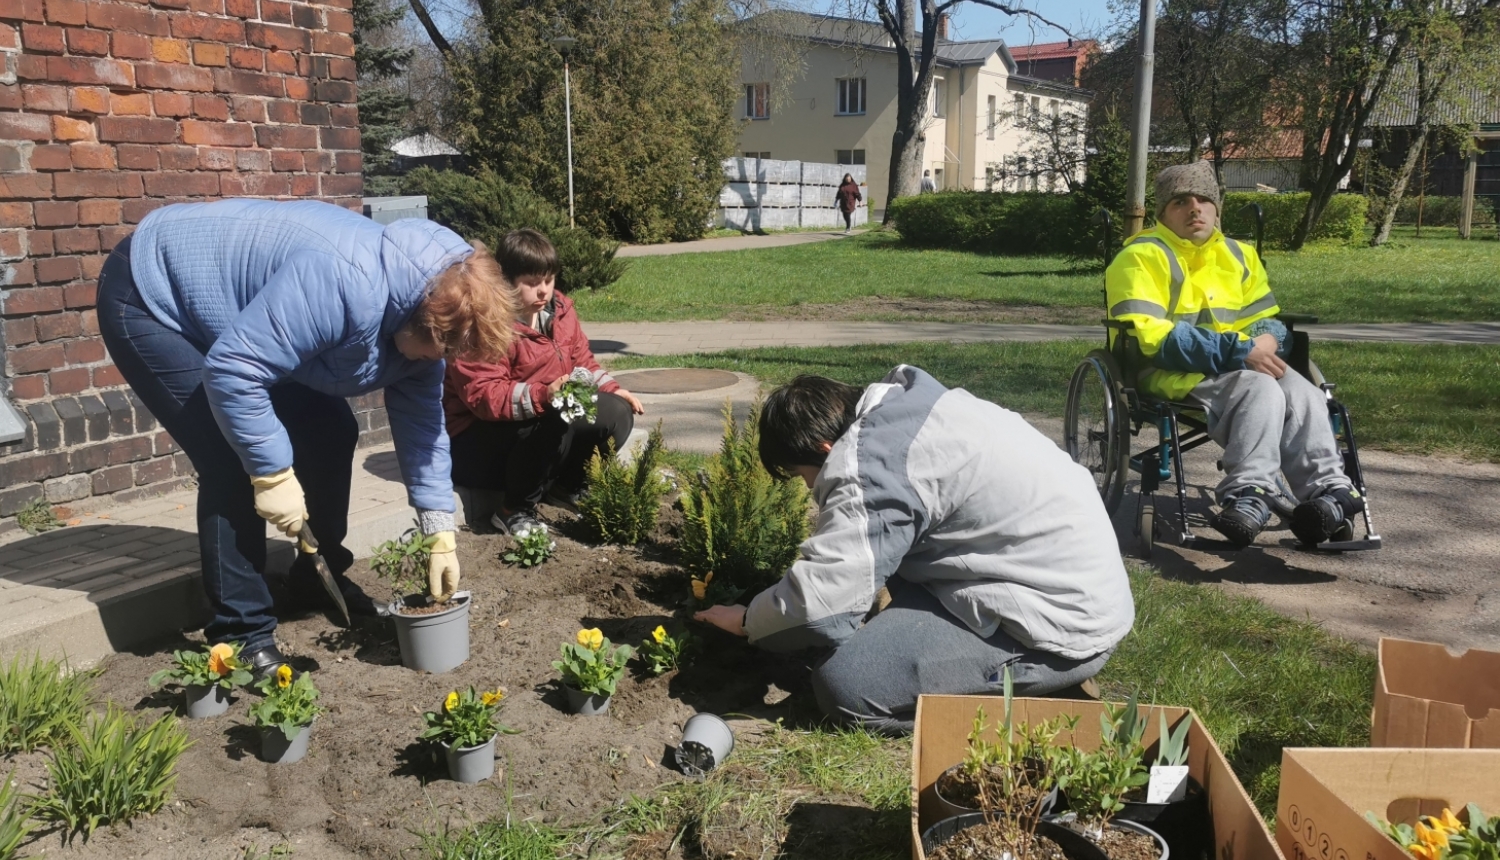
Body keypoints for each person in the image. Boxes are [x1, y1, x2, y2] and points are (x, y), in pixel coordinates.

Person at [97, 198, 516, 680]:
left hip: (245, 320)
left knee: (332, 431)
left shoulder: (424, 323)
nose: (435, 362)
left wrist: (438, 523)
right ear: (417, 318)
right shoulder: (344, 284)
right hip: (155, 293)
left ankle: (316, 579)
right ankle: (240, 632)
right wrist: (272, 473)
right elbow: (236, 369)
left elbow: (423, 429)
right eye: (439, 350)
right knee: (231, 460)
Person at [693, 368, 1134, 734]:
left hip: (1060, 631)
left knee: (846, 685)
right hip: (1069, 587)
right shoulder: (911, 412)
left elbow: (821, 607)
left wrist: (749, 619)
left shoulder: (870, 465)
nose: (809, 489)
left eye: (800, 474)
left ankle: (1040, 706)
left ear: (824, 450)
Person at [1106, 160, 1365, 547]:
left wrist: (1268, 341)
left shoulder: (1240, 255)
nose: (1195, 208)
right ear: (1162, 213)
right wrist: (1240, 351)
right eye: (1180, 202)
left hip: (1245, 364)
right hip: (1167, 369)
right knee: (1258, 390)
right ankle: (1249, 494)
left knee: (1305, 392)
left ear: (1216, 208)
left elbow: (1265, 319)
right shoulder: (1140, 257)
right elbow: (1152, 337)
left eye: (1204, 200)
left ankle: (1329, 495)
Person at [444, 229, 645, 535]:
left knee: (616, 413)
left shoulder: (561, 311)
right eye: (532, 283)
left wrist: (614, 390)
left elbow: (582, 362)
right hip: (473, 443)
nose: (544, 292)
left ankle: (566, 487)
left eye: (549, 280)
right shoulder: (482, 323)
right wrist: (543, 395)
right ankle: (513, 511)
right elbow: (483, 395)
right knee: (556, 415)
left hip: (539, 420)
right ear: (507, 281)